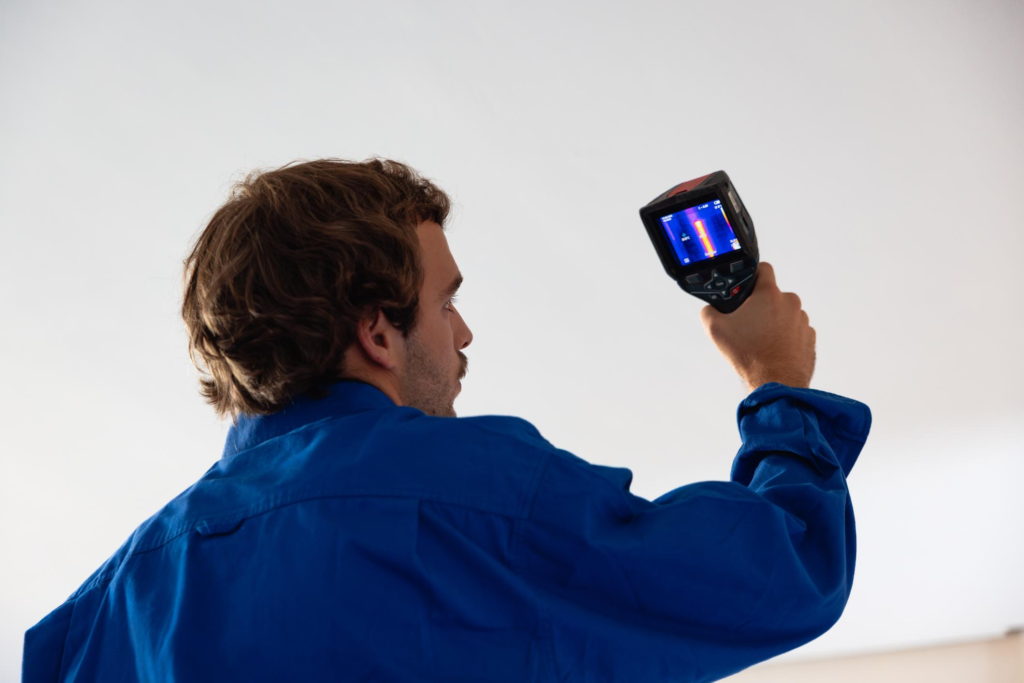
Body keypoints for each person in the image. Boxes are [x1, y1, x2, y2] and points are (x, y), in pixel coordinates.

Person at [22, 157, 871, 682]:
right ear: (377, 332)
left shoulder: (102, 614)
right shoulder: (475, 492)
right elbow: (781, 573)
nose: (463, 334)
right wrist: (777, 382)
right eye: (445, 302)